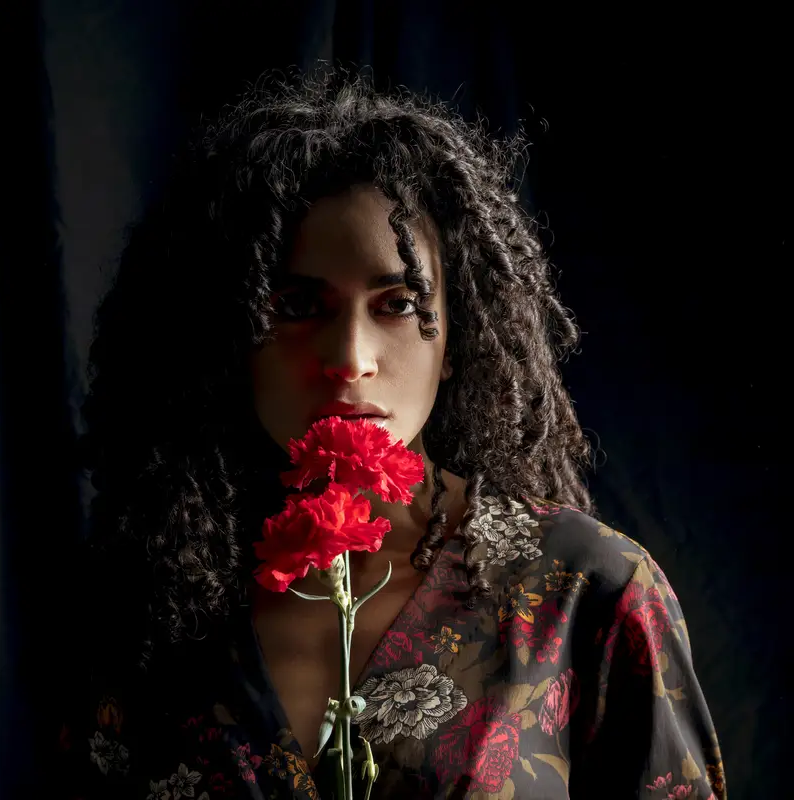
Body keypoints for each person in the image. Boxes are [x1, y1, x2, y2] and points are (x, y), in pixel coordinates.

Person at [57, 68, 726, 799]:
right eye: (295, 305)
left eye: (398, 303)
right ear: (227, 335)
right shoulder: (146, 612)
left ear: (457, 336)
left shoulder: (583, 591)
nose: (350, 359)